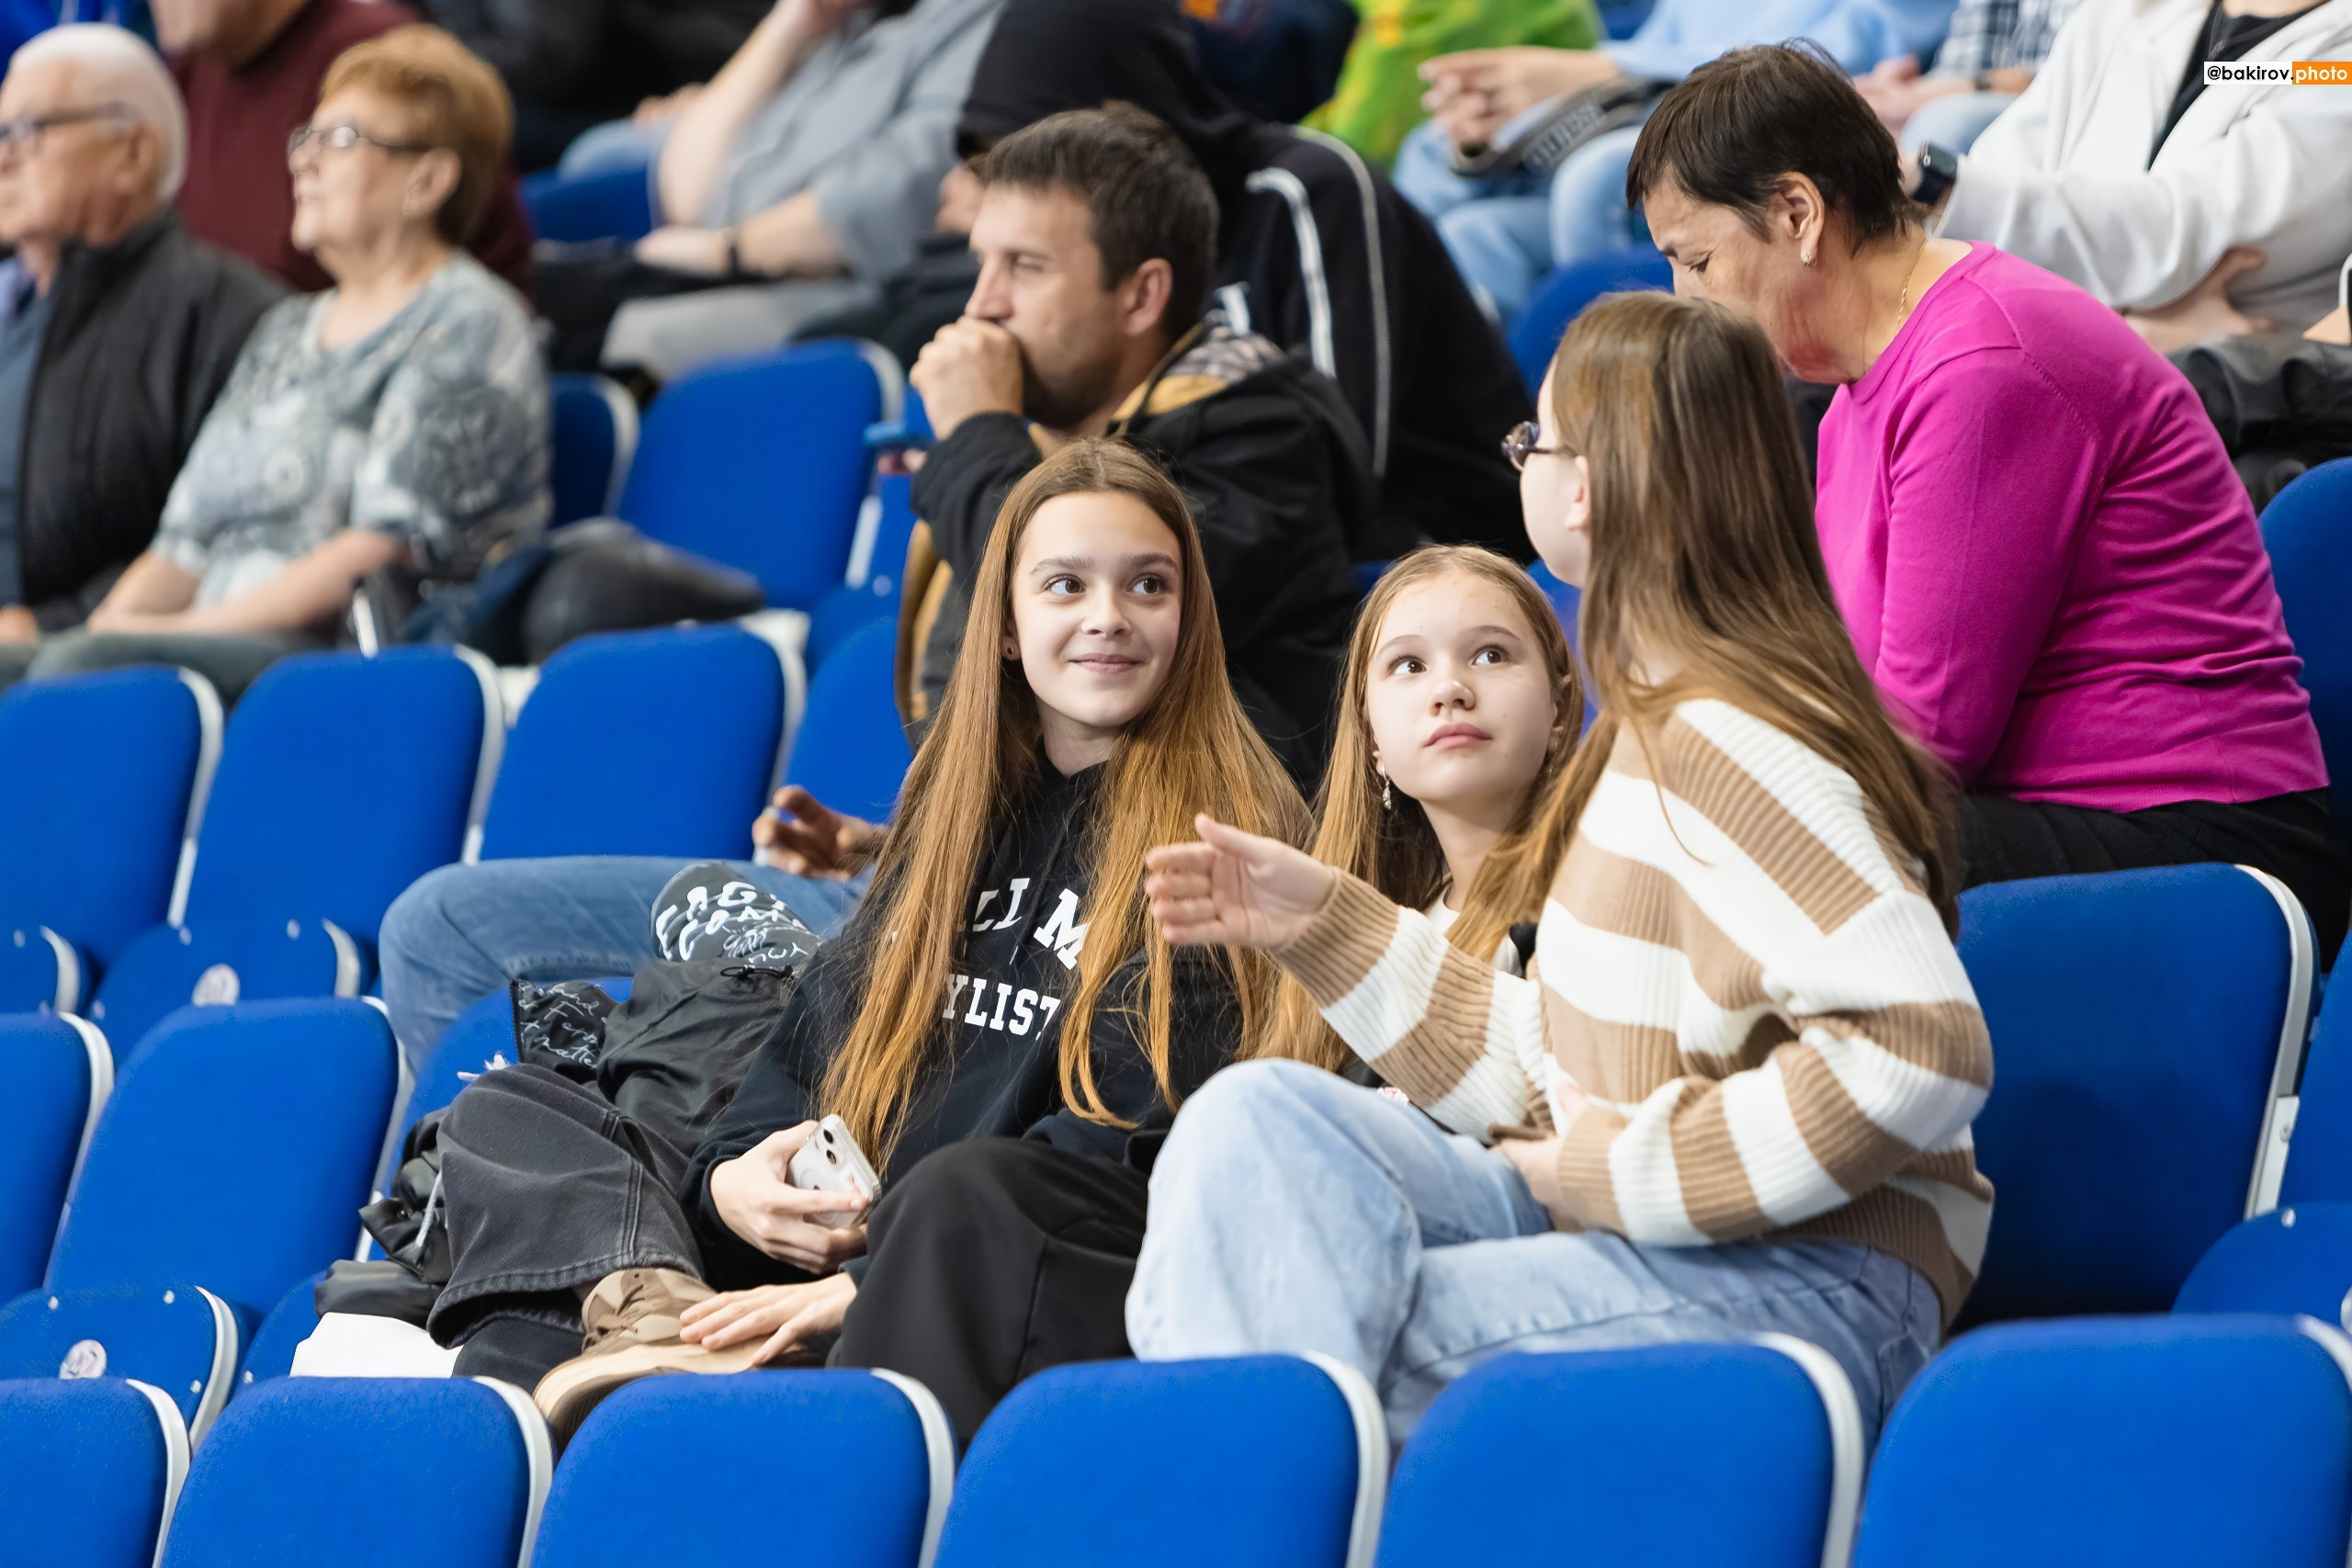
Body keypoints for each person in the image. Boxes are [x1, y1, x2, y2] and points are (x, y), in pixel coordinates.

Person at [1128, 290, 1991, 1450]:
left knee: (1324, 1351)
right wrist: (1326, 922)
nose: (1525, 464)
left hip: (1815, 1283)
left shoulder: (1728, 738)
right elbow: (1563, 1069)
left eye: (1535, 440)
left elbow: (1919, 1043)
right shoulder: (1643, 746)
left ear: (1582, 487)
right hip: (1667, 1244)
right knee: (1256, 1117)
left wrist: (1617, 1171)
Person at [401, 439, 1305, 1433]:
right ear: (1005, 626)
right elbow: (809, 1042)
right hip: (825, 1235)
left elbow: (1122, 1142)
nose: (1107, 617)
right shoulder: (956, 814)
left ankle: (649, 1381)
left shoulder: (1226, 832)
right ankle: (656, 1316)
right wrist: (738, 1182)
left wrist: (866, 1284)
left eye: (1148, 586)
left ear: (1189, 619)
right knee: (512, 1109)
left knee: (968, 1187)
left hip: (966, 1263)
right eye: (1064, 585)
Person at [805, 541, 1580, 1444]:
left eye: (1491, 654)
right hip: (1279, 1277)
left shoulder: (1602, 900)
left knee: (977, 1211)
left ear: (1562, 705)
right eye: (1407, 665)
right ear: (1369, 735)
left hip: (1461, 1283)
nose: (1449, 688)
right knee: (973, 1207)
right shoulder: (1340, 927)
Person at [1628, 43, 2349, 959]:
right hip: (2051, 814)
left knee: (1761, 861)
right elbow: (1846, 677)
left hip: (2199, 836)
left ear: (1797, 213)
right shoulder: (1860, 371)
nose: (1682, 298)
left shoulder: (1982, 365)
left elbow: (1921, 749)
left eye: (1694, 260)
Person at [6, 26, 547, 704]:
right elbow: (183, 543)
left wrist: (166, 637)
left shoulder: (467, 319)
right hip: (219, 638)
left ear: (428, 179)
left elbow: (378, 552)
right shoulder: (288, 328)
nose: (304, 163)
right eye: (305, 139)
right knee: (27, 669)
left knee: (79, 673)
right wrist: (107, 629)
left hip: (343, 656)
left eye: (340, 140)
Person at [923, 0, 1533, 560]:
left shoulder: (1306, 192)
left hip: (1441, 558)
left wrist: (982, 445)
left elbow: (1332, 480)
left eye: (1045, 160)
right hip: (1235, 555)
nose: (984, 304)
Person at [905, 104, 1367, 784]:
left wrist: (975, 437)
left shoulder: (1261, 435)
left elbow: (1101, 675)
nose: (981, 305)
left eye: (1025, 267)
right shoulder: (1028, 446)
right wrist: (884, 843)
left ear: (1141, 296)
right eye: (983, 264)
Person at [0, 25, 280, 682]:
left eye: (27, 132)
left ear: (132, 153)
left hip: (91, 666)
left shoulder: (227, 315)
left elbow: (229, 535)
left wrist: (51, 621)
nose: (4, 159)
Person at [1387, 0, 1952, 316]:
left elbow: (1813, 68)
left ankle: (1637, 393)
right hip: (1636, 111)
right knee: (1466, 216)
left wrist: (1612, 69)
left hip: (1736, 137)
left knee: (1592, 181)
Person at [569, 0, 1004, 380]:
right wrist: (785, 26)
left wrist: (726, 251)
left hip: (838, 283)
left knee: (631, 335)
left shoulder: (981, 19)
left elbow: (887, 194)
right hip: (723, 265)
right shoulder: (843, 22)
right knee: (574, 306)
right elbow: (683, 195)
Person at [1911, 0, 2352, 336]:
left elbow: (2180, 229)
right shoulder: (2124, 12)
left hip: (2209, 422)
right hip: (2035, 342)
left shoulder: (2337, 64)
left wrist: (1936, 186)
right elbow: (2001, 177)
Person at [154, 0, 533, 292]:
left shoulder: (383, 65)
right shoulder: (189, 71)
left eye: (338, 139)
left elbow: (493, 275)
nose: (302, 160)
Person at [415, 0, 766, 169]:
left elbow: (549, 57)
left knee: (456, 126)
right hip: (664, 87)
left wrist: (433, 53)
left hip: (614, 109)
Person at [1852, 0, 2087, 153]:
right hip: (1984, 90)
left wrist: (1926, 97)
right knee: (1854, 114)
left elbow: (2073, 75)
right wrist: (1903, 94)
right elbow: (1962, 61)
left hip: (2061, 103)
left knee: (1938, 130)